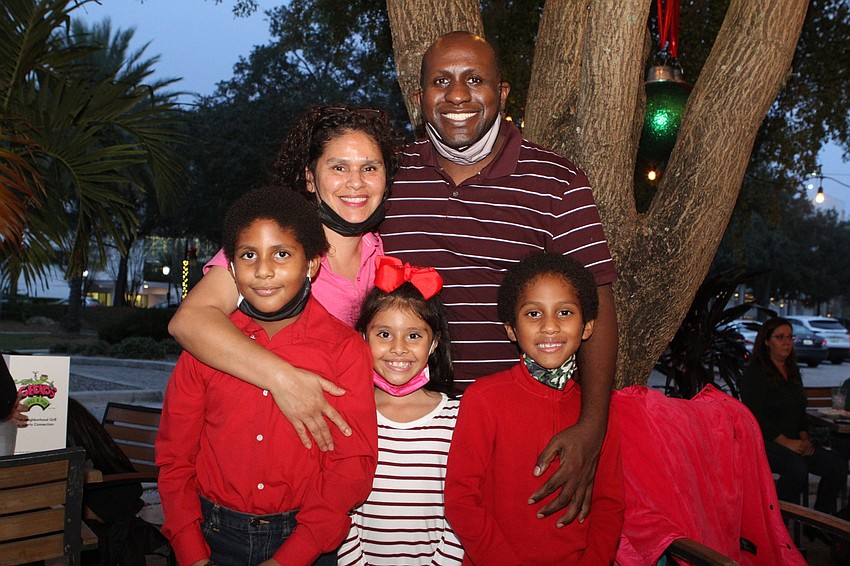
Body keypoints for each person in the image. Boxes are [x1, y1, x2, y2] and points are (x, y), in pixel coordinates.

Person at [379, 31, 618, 525]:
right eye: (441, 81)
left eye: (475, 80)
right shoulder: (387, 177)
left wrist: (592, 427)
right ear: (419, 96)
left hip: (515, 431)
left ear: (502, 92)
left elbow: (597, 305)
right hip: (402, 427)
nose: (458, 95)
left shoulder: (558, 182)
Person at [156, 186, 378, 566]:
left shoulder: (344, 350)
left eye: (281, 254)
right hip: (211, 536)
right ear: (231, 268)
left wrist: (292, 556)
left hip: (304, 540)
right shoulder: (205, 348)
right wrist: (191, 551)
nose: (263, 271)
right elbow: (175, 457)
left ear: (312, 264)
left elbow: (350, 467)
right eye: (248, 255)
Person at [168, 105, 402, 452]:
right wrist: (282, 379)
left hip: (346, 451)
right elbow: (189, 321)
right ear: (310, 177)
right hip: (263, 447)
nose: (356, 182)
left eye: (370, 168)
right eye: (338, 167)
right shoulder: (274, 247)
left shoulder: (384, 256)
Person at [444, 253, 623, 564]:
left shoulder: (596, 413)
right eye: (533, 314)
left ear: (587, 326)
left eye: (564, 312)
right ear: (512, 329)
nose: (550, 327)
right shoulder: (483, 399)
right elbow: (461, 500)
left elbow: (609, 505)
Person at [338, 256, 464, 565]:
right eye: (384, 334)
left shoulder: (458, 418)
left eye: (414, 335)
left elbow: (465, 506)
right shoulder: (348, 414)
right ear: (362, 337)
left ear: (434, 343)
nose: (398, 348)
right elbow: (338, 505)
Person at [739, 316, 847, 515]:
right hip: (765, 443)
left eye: (790, 337)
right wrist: (786, 442)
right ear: (766, 341)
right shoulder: (754, 374)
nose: (787, 342)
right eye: (780, 337)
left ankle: (821, 520)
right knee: (796, 469)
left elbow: (799, 410)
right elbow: (755, 416)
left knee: (837, 467)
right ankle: (778, 523)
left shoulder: (792, 371)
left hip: (795, 441)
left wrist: (804, 438)